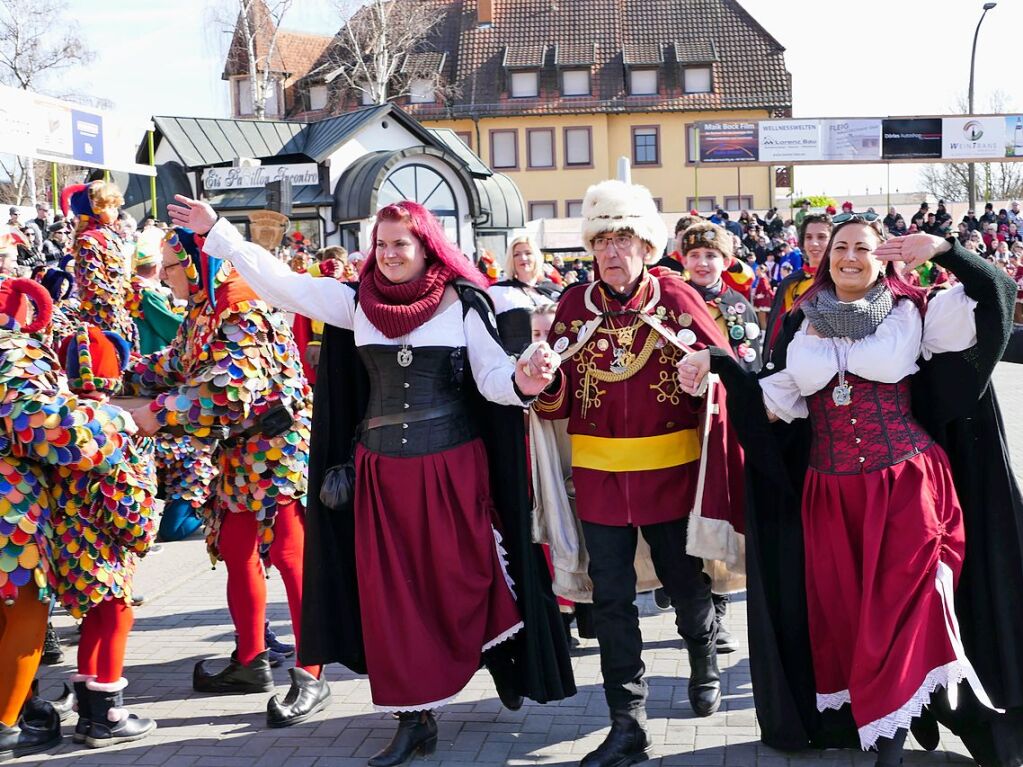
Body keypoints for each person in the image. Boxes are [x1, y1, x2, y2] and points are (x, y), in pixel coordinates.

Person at [166, 194, 576, 766]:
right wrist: (221, 233)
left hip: (454, 469)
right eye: (380, 245)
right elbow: (282, 285)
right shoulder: (355, 302)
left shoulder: (463, 303)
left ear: (425, 247)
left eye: (399, 244)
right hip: (381, 474)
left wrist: (528, 378)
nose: (388, 255)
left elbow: (494, 382)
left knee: (468, 577)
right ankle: (415, 720)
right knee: (394, 599)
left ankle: (499, 653)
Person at [677, 217, 1020, 766]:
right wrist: (717, 365)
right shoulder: (800, 323)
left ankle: (890, 748)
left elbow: (994, 295)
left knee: (906, 612)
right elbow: (773, 400)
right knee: (854, 618)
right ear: (825, 258)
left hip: (906, 485)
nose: (850, 256)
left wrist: (946, 249)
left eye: (864, 247)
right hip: (830, 495)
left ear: (883, 258)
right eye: (840, 247)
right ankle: (908, 723)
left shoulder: (916, 313)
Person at [530, 181, 745, 767]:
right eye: (602, 240)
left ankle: (703, 657)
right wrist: (539, 379)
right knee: (611, 605)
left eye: (624, 238)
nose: (612, 251)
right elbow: (556, 402)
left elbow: (724, 377)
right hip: (599, 484)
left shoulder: (676, 298)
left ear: (646, 245)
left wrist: (707, 373)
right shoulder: (575, 307)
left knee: (684, 584)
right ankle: (628, 724)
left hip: (670, 478)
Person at [127, 227, 320, 729]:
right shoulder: (203, 308)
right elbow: (180, 363)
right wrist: (123, 375)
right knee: (236, 549)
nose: (164, 275)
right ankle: (251, 661)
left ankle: (311, 673)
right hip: (239, 449)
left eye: (170, 266)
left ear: (194, 264)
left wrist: (159, 411)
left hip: (278, 445)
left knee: (289, 554)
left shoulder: (240, 306)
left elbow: (229, 391)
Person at [0, 279, 148, 757]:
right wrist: (121, 422)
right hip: (10, 506)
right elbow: (45, 426)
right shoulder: (13, 350)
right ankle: (6, 723)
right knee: (27, 610)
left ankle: (20, 709)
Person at [51, 323, 159, 748]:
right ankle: (109, 714)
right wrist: (139, 534)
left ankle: (87, 711)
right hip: (106, 545)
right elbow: (130, 490)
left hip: (68, 541)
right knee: (116, 614)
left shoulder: (60, 420)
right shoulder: (118, 420)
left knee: (92, 617)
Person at [61, 183, 137, 349]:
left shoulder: (110, 236)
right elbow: (93, 284)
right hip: (103, 318)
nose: (116, 211)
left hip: (119, 315)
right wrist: (112, 307)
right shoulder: (88, 240)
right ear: (94, 209)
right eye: (110, 206)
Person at [764, 213, 833, 352]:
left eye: (821, 237)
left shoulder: (842, 279)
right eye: (809, 237)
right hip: (796, 355)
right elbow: (779, 328)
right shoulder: (791, 283)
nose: (814, 243)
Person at [488, 233, 561, 354]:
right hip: (514, 363)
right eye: (517, 254)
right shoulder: (498, 292)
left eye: (528, 253)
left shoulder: (554, 290)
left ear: (536, 256)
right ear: (511, 259)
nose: (523, 257)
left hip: (554, 362)